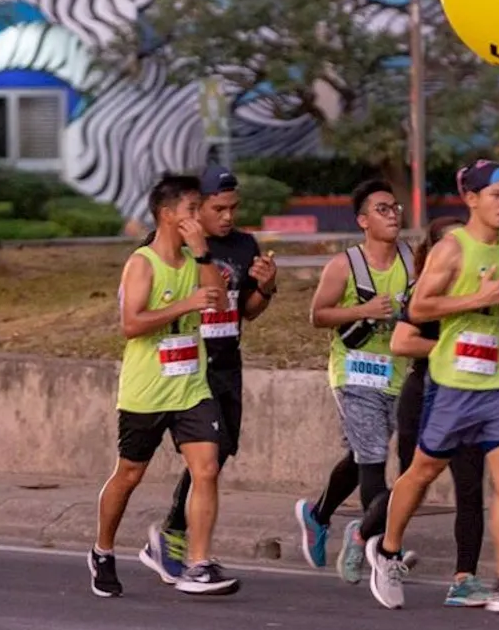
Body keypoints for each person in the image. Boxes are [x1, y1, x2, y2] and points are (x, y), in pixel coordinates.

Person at [361, 160, 499, 614]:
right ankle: (385, 551)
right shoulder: (451, 249)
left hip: (497, 382)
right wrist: (479, 299)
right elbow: (421, 307)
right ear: (472, 199)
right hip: (452, 385)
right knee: (422, 473)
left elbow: (490, 313)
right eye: (497, 196)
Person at [96, 174, 239, 597]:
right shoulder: (143, 263)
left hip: (191, 386)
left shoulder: (197, 260)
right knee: (129, 473)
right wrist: (184, 304)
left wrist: (201, 254)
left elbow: (217, 297)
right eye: (191, 211)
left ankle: (198, 563)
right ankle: (103, 549)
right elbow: (130, 324)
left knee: (207, 469)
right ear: (166, 215)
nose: (198, 218)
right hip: (147, 389)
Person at [144, 166, 276, 583]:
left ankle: (171, 536)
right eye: (218, 208)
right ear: (195, 208)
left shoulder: (243, 245)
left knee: (220, 453)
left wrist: (266, 288)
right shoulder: (170, 246)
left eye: (233, 208)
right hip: (185, 367)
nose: (228, 217)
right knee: (205, 460)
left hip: (226, 363)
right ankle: (176, 538)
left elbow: (246, 313)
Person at [348, 218, 485, 604]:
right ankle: (365, 535)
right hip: (426, 393)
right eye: (453, 243)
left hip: (471, 396)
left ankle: (465, 578)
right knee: (413, 483)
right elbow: (402, 342)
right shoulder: (423, 295)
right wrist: (452, 350)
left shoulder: (482, 293)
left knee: (471, 487)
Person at [295, 179, 412, 568]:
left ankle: (318, 514)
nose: (393, 215)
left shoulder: (415, 261)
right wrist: (362, 311)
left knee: (361, 456)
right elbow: (317, 315)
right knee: (374, 458)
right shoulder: (344, 265)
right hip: (353, 372)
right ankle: (375, 546)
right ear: (363, 220)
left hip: (398, 374)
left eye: (395, 207)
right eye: (382, 209)